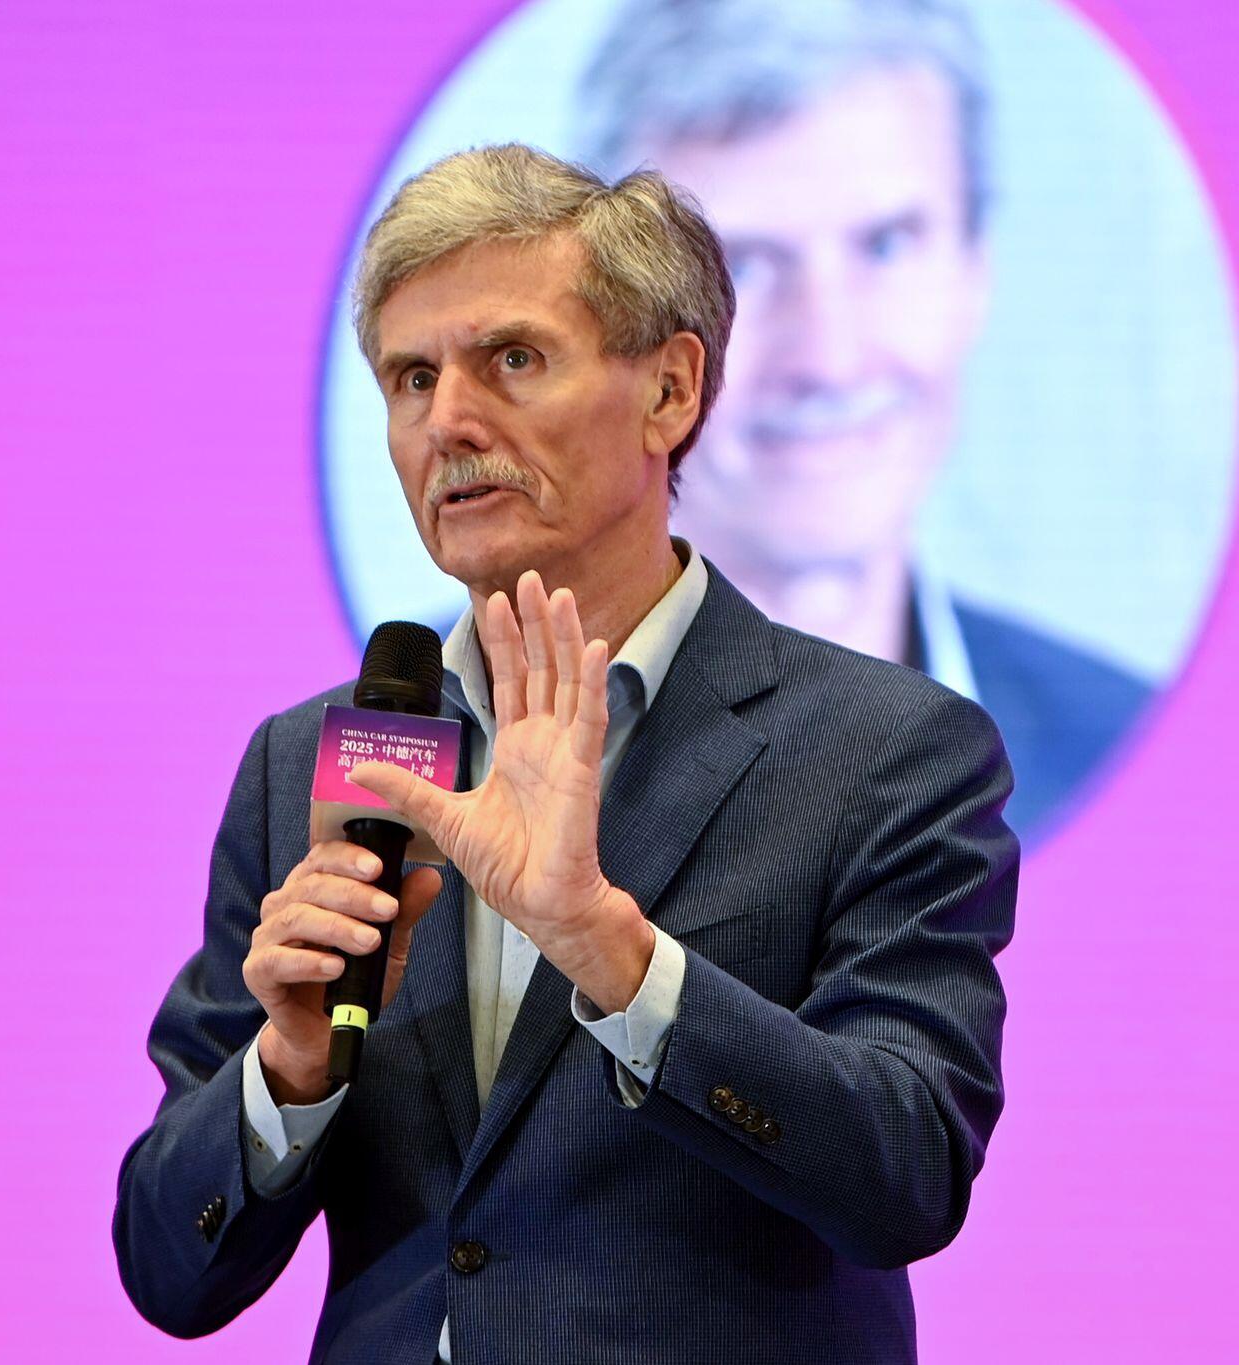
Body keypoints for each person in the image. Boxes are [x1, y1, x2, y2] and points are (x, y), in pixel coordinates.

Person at [114, 145, 1016, 1363]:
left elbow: (904, 1172)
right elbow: (168, 1268)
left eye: (512, 360)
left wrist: (606, 948)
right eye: (411, 378)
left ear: (669, 392)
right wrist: (288, 1067)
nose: (448, 421)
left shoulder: (883, 752)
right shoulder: (309, 765)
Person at [571, 0, 1147, 837]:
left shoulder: (1132, 750)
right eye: (741, 268)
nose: (829, 359)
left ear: (974, 270)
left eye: (885, 245)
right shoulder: (434, 746)